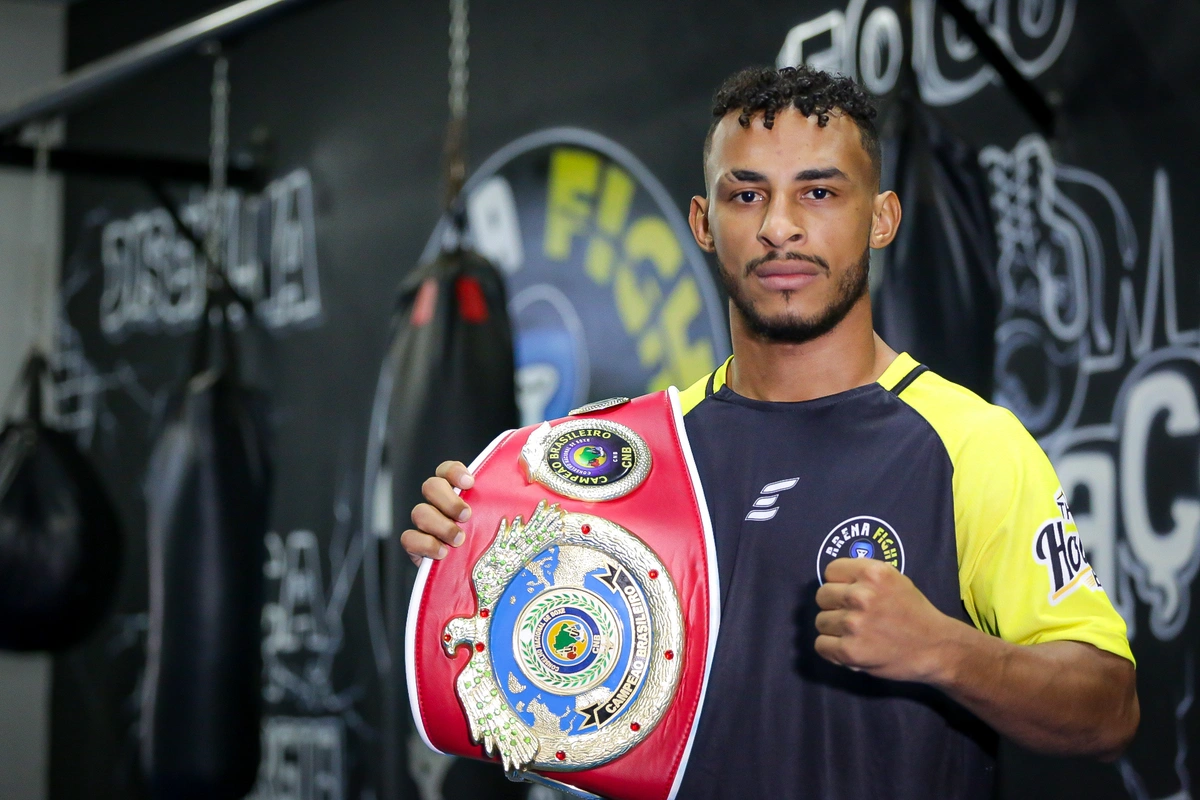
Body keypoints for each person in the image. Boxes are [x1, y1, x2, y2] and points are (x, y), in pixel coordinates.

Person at [400, 66, 1139, 798]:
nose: (780, 226)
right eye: (747, 194)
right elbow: (549, 676)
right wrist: (464, 553)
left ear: (881, 217)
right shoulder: (648, 456)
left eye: (818, 193)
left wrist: (945, 649)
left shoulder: (970, 444)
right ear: (703, 222)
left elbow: (1108, 712)